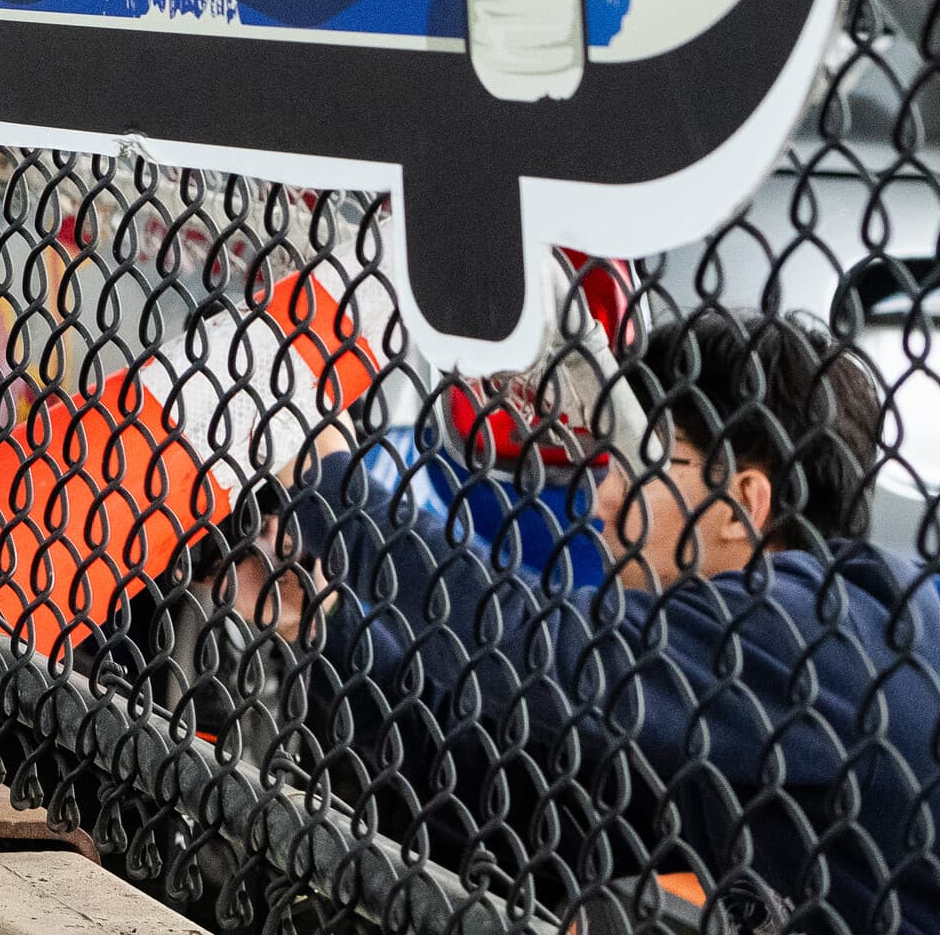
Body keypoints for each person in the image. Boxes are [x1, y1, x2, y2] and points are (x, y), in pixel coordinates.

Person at [237, 310, 940, 931]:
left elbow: (537, 647)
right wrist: (327, 624)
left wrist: (329, 482)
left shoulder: (830, 634)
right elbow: (502, 795)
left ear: (740, 503)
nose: (600, 497)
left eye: (640, 463)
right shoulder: (723, 711)